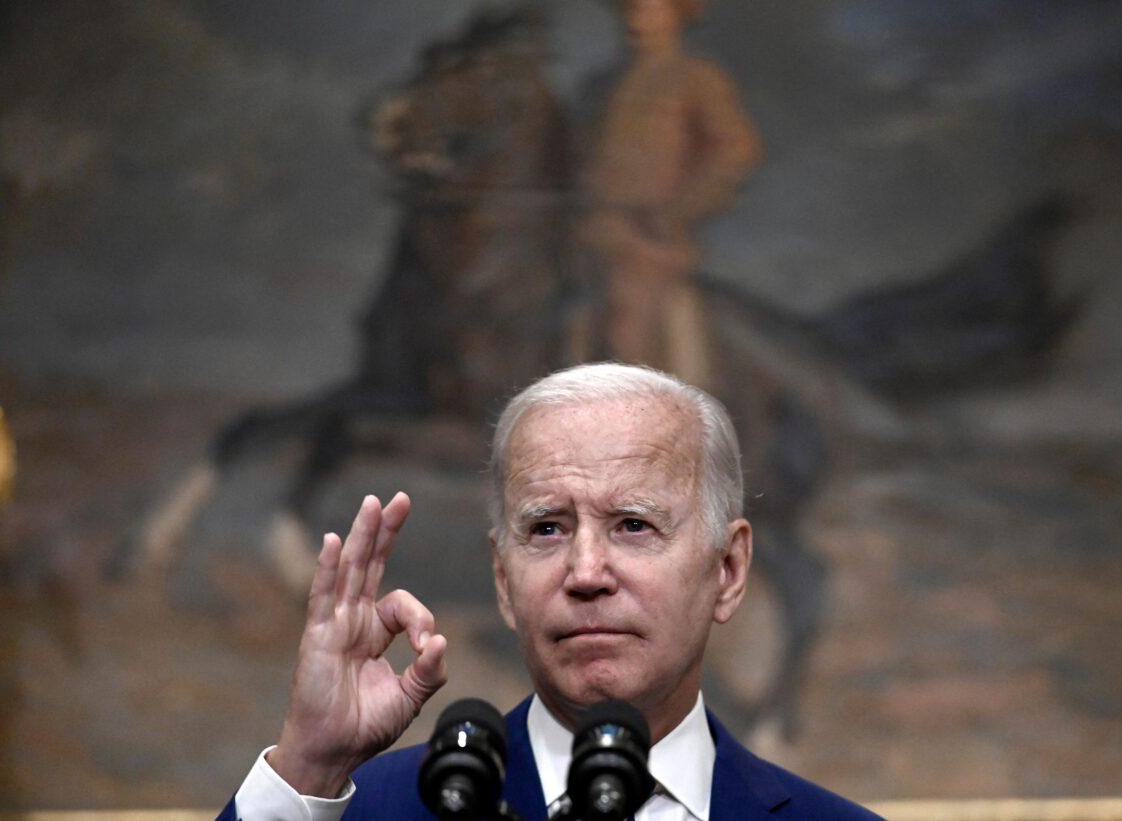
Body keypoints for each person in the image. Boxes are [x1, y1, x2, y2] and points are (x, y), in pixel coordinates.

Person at [219, 363, 880, 819]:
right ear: (504, 581)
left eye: (633, 525)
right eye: (546, 528)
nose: (586, 571)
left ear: (729, 571)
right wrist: (308, 765)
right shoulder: (368, 811)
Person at [578, 0, 762, 386]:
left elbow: (736, 152)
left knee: (626, 334)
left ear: (678, 14)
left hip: (646, 243)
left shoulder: (694, 77)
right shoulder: (601, 85)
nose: (635, 19)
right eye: (628, 10)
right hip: (586, 234)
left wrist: (673, 213)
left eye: (649, 8)